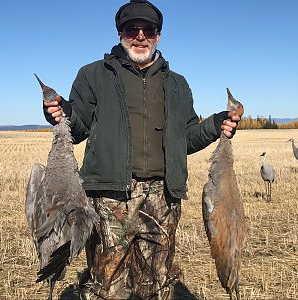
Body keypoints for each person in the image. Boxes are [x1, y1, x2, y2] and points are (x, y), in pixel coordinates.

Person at [43, 0, 240, 299]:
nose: (140, 35)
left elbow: (185, 139)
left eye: (148, 29)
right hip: (110, 200)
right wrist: (63, 111)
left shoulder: (177, 84)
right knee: (107, 286)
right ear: (120, 33)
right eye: (131, 28)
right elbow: (79, 127)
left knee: (159, 284)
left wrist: (216, 124)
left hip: (163, 199)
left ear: (158, 35)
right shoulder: (93, 75)